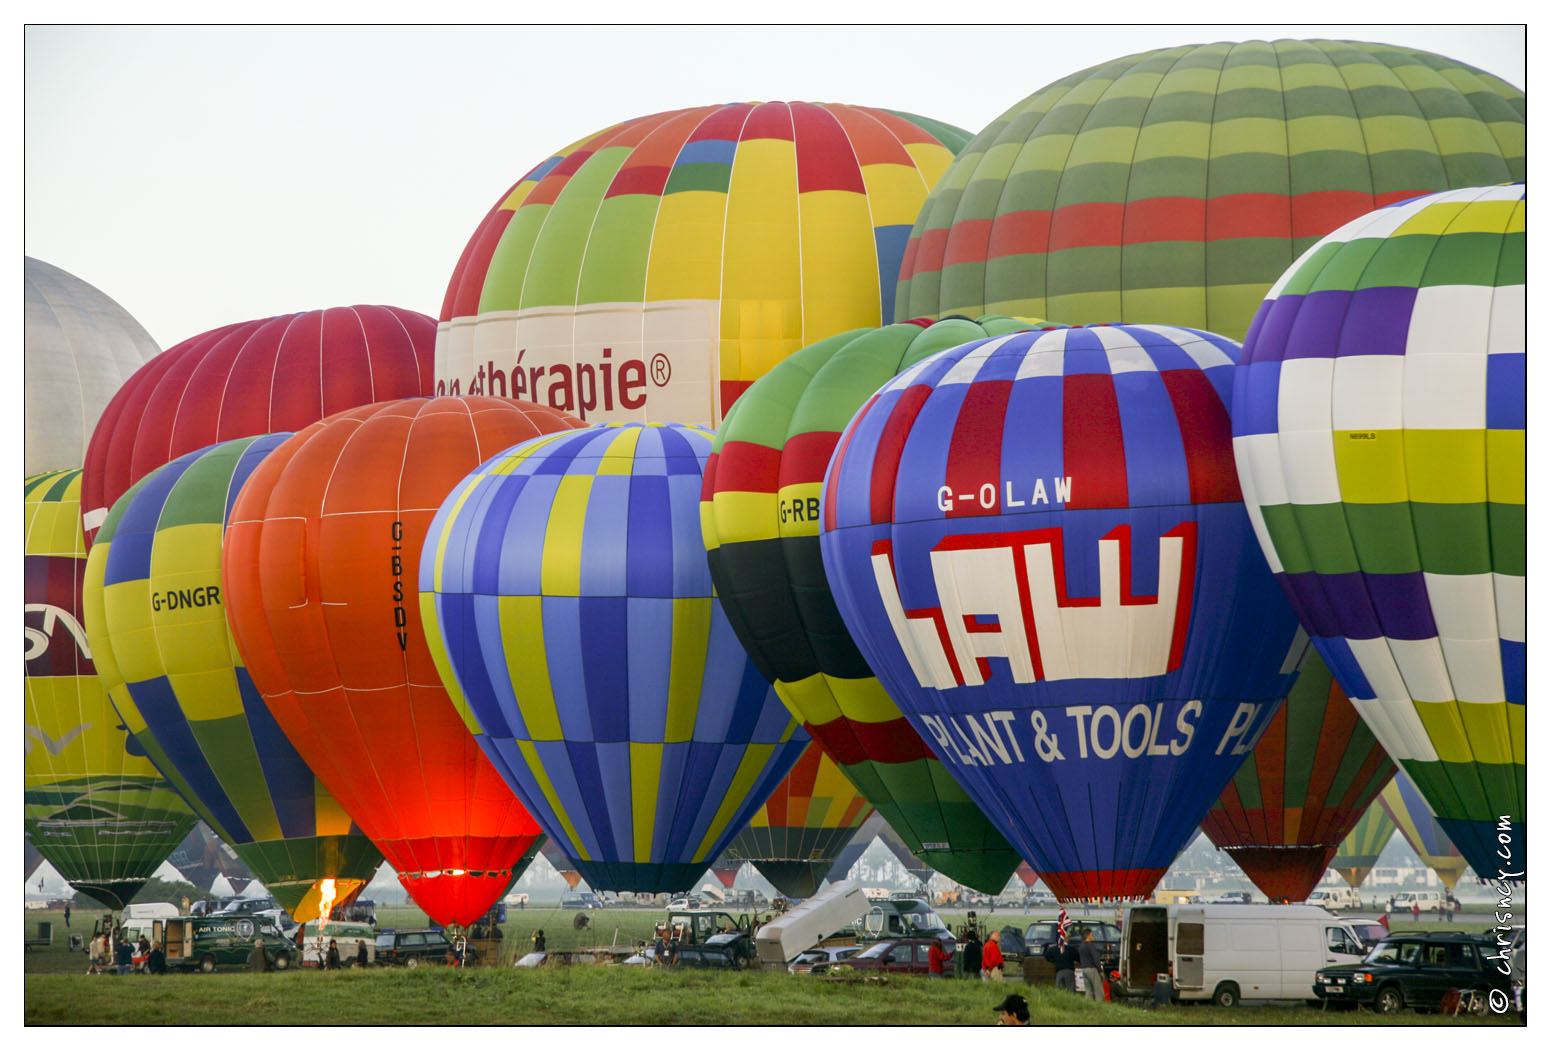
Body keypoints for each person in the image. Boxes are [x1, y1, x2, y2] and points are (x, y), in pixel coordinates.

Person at [1078, 929, 1104, 1002]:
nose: (1093, 936)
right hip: (1092, 969)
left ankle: (1088, 1004)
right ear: (1088, 936)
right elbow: (1096, 958)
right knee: (1098, 989)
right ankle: (1100, 1005)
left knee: (1088, 990)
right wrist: (1100, 970)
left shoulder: (1081, 945)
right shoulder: (1090, 945)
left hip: (1084, 969)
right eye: (1092, 935)